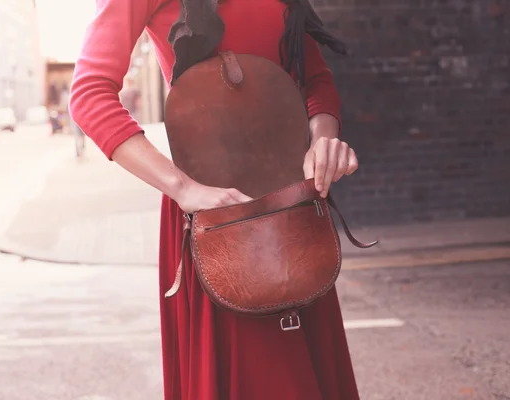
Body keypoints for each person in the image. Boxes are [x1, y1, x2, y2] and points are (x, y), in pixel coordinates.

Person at [70, 0, 361, 399]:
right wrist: (182, 188)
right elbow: (89, 94)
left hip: (292, 205)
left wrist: (324, 139)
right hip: (214, 213)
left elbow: (315, 79)